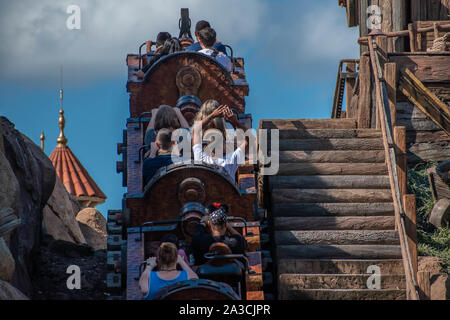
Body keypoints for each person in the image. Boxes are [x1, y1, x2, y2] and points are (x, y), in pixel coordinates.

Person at [192, 100, 247, 181]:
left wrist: (212, 115)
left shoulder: (201, 158)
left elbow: (196, 130)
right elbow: (249, 138)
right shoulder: (230, 160)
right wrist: (235, 122)